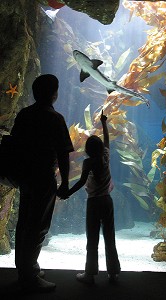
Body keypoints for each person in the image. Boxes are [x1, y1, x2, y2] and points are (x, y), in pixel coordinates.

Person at [11, 74, 74, 292]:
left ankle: (26, 268)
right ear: (53, 94)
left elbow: (14, 145)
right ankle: (29, 276)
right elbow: (64, 153)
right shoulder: (54, 118)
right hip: (44, 177)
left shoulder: (24, 114)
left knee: (24, 222)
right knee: (38, 226)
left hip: (26, 177)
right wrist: (65, 182)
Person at [66, 110, 120, 284]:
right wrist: (104, 123)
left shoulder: (88, 162)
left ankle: (90, 274)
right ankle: (113, 273)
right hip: (107, 201)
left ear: (87, 150)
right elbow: (107, 142)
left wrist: (67, 192)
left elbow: (82, 182)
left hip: (94, 203)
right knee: (109, 236)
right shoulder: (105, 157)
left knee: (93, 238)